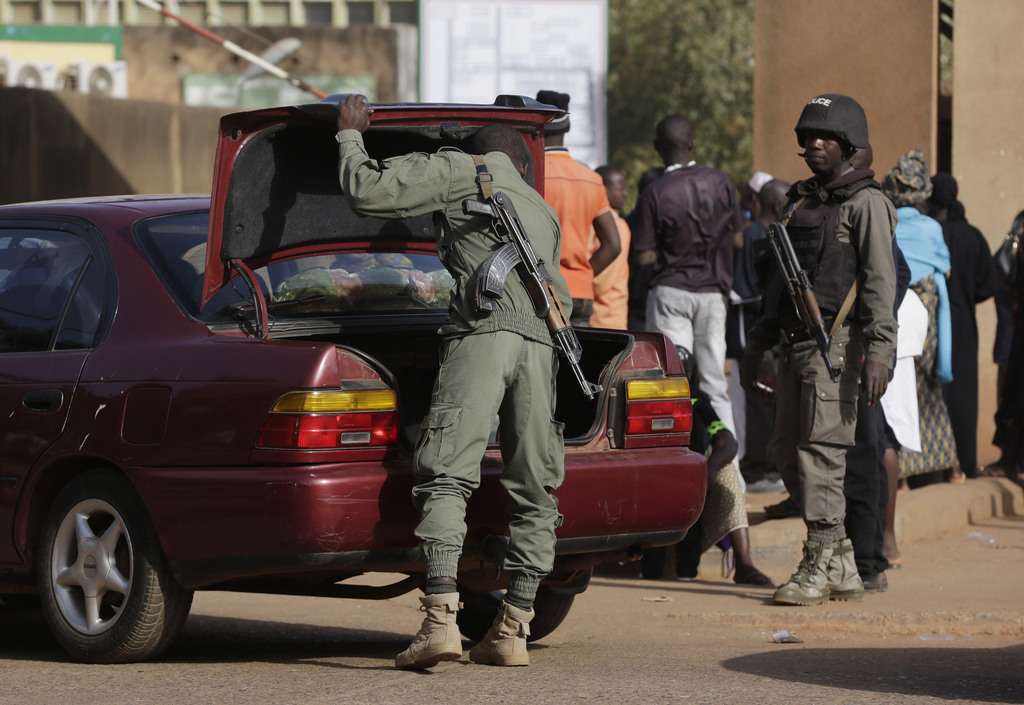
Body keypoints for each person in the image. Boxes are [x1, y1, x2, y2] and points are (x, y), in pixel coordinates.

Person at [336, 94, 570, 669]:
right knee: (536, 489)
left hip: (484, 335)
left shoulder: (465, 168)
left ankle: (440, 621)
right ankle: (513, 628)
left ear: (478, 153)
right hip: (541, 347)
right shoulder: (540, 207)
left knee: (446, 474)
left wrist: (348, 136)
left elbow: (367, 193)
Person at [740, 93, 898, 606]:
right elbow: (777, 284)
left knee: (822, 455)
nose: (813, 144)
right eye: (807, 136)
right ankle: (844, 561)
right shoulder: (801, 201)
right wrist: (757, 344)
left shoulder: (867, 203)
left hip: (839, 345)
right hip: (794, 345)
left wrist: (880, 352)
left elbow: (880, 284)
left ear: (849, 144)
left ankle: (817, 561)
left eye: (824, 136)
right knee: (788, 452)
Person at [629, 114, 743, 433]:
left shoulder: (655, 191)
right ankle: (729, 472)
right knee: (714, 382)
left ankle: (675, 457)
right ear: (692, 143)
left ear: (657, 148)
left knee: (672, 379)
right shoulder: (721, 181)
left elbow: (644, 255)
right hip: (712, 294)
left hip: (671, 292)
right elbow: (736, 238)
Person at [641, 347, 771, 586]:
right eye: (669, 373)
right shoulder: (644, 403)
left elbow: (727, 443)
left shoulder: (697, 404)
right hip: (644, 514)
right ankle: (648, 571)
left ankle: (741, 564)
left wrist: (707, 475)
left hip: (689, 493)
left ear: (691, 377)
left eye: (681, 374)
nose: (674, 380)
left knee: (726, 472)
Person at [881, 148, 958, 487]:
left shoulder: (887, 222)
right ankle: (950, 467)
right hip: (926, 316)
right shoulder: (930, 228)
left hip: (891, 312)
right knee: (927, 390)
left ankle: (901, 477)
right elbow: (945, 267)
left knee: (897, 394)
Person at [926, 173, 996, 480]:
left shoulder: (926, 233)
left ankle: (931, 466)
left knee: (931, 392)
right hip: (964, 327)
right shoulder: (973, 236)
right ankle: (964, 463)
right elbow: (988, 285)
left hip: (930, 325)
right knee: (963, 395)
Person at [536, 90, 620, 326]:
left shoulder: (532, 177)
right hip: (581, 293)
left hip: (543, 291)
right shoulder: (591, 178)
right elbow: (613, 245)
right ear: (568, 127)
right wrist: (583, 275)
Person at [731, 178, 789, 493]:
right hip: (757, 334)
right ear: (777, 204)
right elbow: (742, 290)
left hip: (777, 335)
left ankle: (772, 465)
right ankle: (756, 469)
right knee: (760, 401)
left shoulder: (780, 235)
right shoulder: (753, 236)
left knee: (776, 399)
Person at [589, 165, 631, 329]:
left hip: (605, 319)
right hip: (600, 318)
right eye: (620, 188)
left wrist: (577, 286)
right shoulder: (603, 224)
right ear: (602, 189)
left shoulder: (617, 228)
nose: (625, 193)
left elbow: (602, 281)